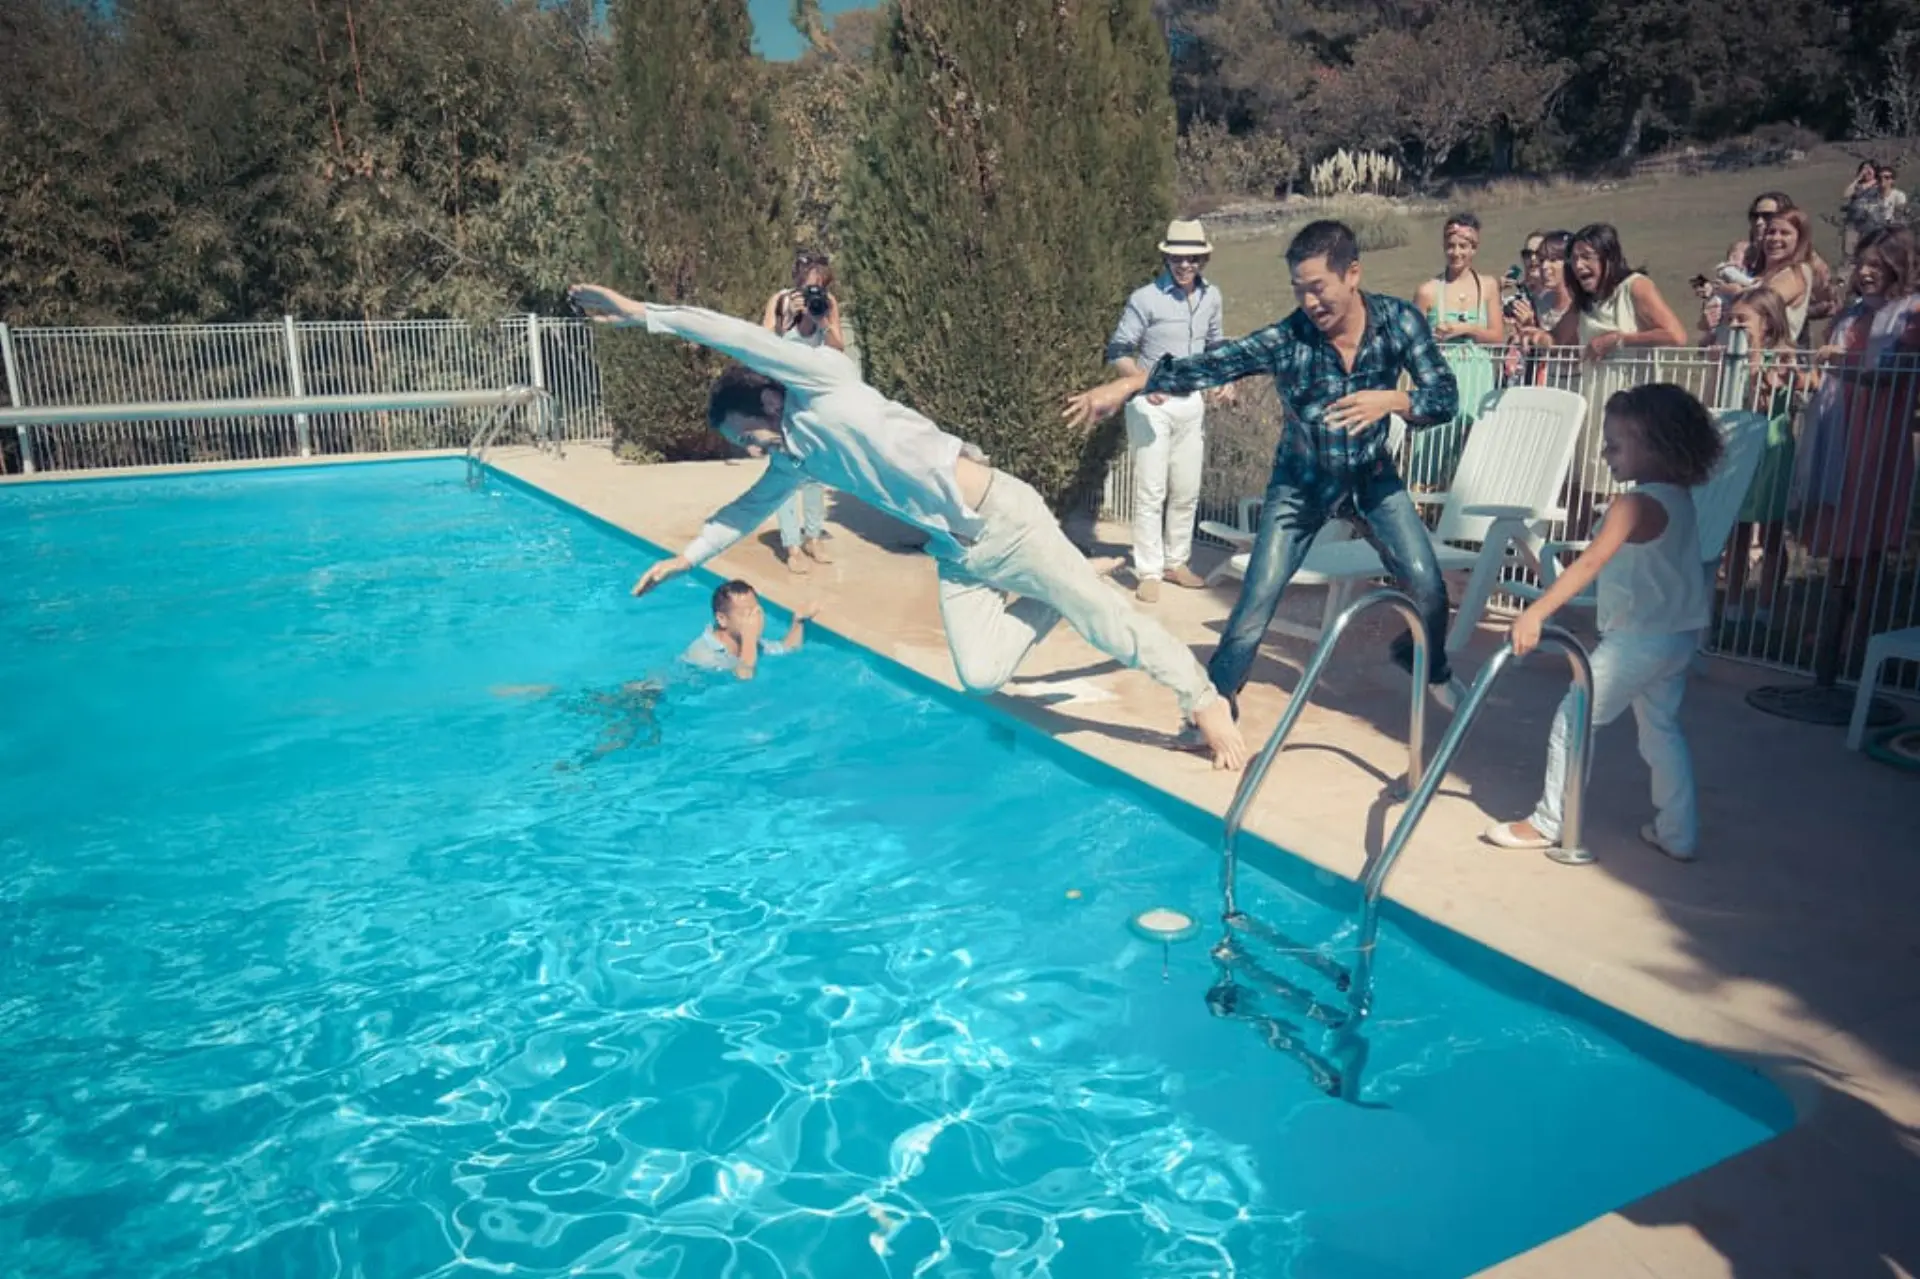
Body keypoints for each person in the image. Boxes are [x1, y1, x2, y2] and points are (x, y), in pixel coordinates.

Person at [564, 281, 1250, 769]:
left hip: (1002, 520)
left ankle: (1204, 700)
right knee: (980, 674)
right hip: (959, 556)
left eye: (746, 434)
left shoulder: (819, 382)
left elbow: (733, 334)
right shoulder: (796, 455)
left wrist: (643, 315)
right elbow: (744, 510)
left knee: (1106, 621)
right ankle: (1059, 592)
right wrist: (687, 558)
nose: (750, 449)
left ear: (768, 400)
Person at [1063, 219, 1465, 729]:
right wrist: (1129, 386)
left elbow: (1445, 396)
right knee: (1257, 595)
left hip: (1372, 478)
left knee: (1428, 586)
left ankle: (1426, 661)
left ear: (1352, 274)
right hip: (1300, 485)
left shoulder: (1399, 322)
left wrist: (1395, 400)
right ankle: (1214, 704)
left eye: (1317, 288)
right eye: (1299, 290)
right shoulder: (1289, 338)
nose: (1309, 303)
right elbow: (1216, 363)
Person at [1483, 384, 1725, 864]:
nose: (1604, 456)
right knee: (1661, 732)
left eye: (1614, 446)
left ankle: (1549, 822)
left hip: (1637, 640)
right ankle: (1678, 832)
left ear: (1655, 445)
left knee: (1573, 718)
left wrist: (1536, 611)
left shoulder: (1632, 506)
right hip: (1677, 639)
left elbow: (1591, 562)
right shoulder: (1678, 499)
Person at [1105, 218, 1233, 602]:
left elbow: (1216, 345)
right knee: (1151, 491)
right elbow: (1118, 350)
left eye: (1191, 258)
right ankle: (1149, 571)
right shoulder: (1145, 298)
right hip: (1151, 406)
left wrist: (1226, 378)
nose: (1184, 265)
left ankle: (1176, 563)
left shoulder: (1212, 297)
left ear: (1203, 260)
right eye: (1177, 258)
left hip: (1191, 404)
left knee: (1186, 489)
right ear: (1167, 259)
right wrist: (1144, 382)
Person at [761, 250, 845, 573]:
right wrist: (785, 323)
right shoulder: (781, 301)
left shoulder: (828, 304)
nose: (815, 291)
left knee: (814, 472)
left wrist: (823, 322)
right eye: (810, 285)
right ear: (798, 281)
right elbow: (762, 343)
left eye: (821, 285)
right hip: (782, 399)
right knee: (785, 471)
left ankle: (813, 537)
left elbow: (839, 348)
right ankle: (792, 546)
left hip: (811, 400)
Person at [1411, 212, 1504, 488]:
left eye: (1463, 246)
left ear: (1474, 248)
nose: (1456, 252)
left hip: (1477, 374)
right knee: (1433, 445)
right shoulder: (1428, 290)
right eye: (1451, 245)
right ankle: (1425, 498)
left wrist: (1467, 330)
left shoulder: (1487, 286)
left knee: (1473, 444)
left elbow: (1497, 336)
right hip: (1442, 374)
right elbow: (1411, 342)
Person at [683, 579, 815, 679]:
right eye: (746, 614)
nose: (754, 620)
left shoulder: (748, 643)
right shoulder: (703, 653)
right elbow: (744, 678)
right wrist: (749, 638)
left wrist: (798, 622)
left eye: (756, 612)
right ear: (722, 619)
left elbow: (787, 649)